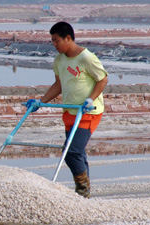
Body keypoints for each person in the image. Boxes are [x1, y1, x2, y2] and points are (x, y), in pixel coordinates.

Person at [26, 21, 108, 198]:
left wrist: (90, 99)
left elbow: (102, 79)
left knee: (71, 151)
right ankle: (85, 195)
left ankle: (82, 190)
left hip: (88, 111)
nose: (54, 45)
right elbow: (59, 84)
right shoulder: (59, 60)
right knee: (77, 152)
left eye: (57, 41)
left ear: (68, 38)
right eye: (52, 41)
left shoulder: (86, 58)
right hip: (70, 111)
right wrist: (40, 102)